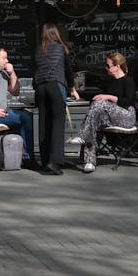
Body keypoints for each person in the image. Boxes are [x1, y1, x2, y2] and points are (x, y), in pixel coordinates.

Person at [68, 52, 137, 173]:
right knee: (94, 120)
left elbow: (128, 101)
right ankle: (89, 162)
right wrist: (79, 95)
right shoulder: (109, 82)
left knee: (100, 104)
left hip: (126, 116)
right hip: (109, 116)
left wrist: (109, 97)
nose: (106, 68)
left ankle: (83, 140)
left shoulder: (128, 81)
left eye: (108, 65)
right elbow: (98, 97)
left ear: (117, 66)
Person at [34, 23, 79, 175]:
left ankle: (45, 161)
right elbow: (68, 70)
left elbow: (35, 70)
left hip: (40, 88)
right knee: (57, 124)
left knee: (43, 124)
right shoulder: (61, 48)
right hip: (55, 86)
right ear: (56, 33)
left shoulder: (39, 49)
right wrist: (72, 89)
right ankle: (55, 162)